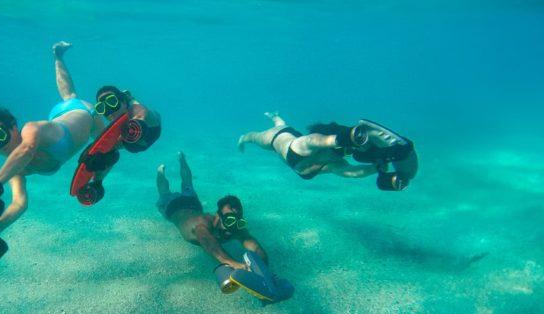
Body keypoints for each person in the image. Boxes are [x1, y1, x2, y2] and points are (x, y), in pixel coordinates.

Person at [0, 41, 101, 236]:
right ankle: (58, 55)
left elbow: (27, 148)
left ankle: (130, 100)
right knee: (68, 94)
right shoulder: (15, 167)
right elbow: (19, 203)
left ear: (14, 127)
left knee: (107, 142)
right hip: (58, 115)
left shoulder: (31, 129)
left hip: (85, 113)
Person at [237, 112, 418, 189]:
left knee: (285, 124)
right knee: (256, 137)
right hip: (277, 138)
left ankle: (277, 117)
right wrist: (337, 139)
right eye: (344, 147)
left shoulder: (334, 161)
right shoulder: (304, 145)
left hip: (297, 152)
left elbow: (350, 172)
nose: (346, 151)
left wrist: (376, 168)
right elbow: (314, 139)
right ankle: (250, 133)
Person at [156, 152, 267, 272]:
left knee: (188, 183)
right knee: (165, 191)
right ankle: (162, 171)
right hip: (171, 206)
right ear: (218, 216)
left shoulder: (235, 228)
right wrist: (234, 264)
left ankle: (182, 160)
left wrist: (263, 265)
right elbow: (211, 245)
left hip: (193, 203)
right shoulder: (201, 226)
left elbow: (254, 246)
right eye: (229, 220)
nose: (233, 227)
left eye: (239, 222)